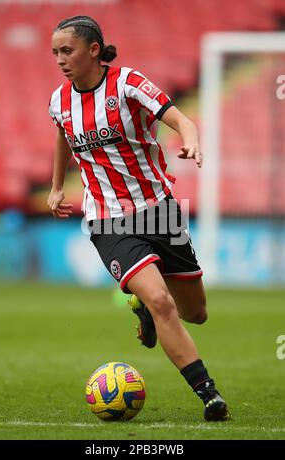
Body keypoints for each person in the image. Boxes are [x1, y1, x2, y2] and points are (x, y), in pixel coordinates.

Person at [48, 15, 231, 422]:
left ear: (94, 50)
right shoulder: (59, 101)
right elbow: (62, 135)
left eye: (68, 50)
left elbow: (179, 118)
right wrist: (58, 186)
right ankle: (209, 394)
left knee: (195, 313)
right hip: (107, 220)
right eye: (56, 52)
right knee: (162, 299)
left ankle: (144, 308)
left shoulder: (128, 83)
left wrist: (191, 140)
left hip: (159, 211)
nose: (60, 59)